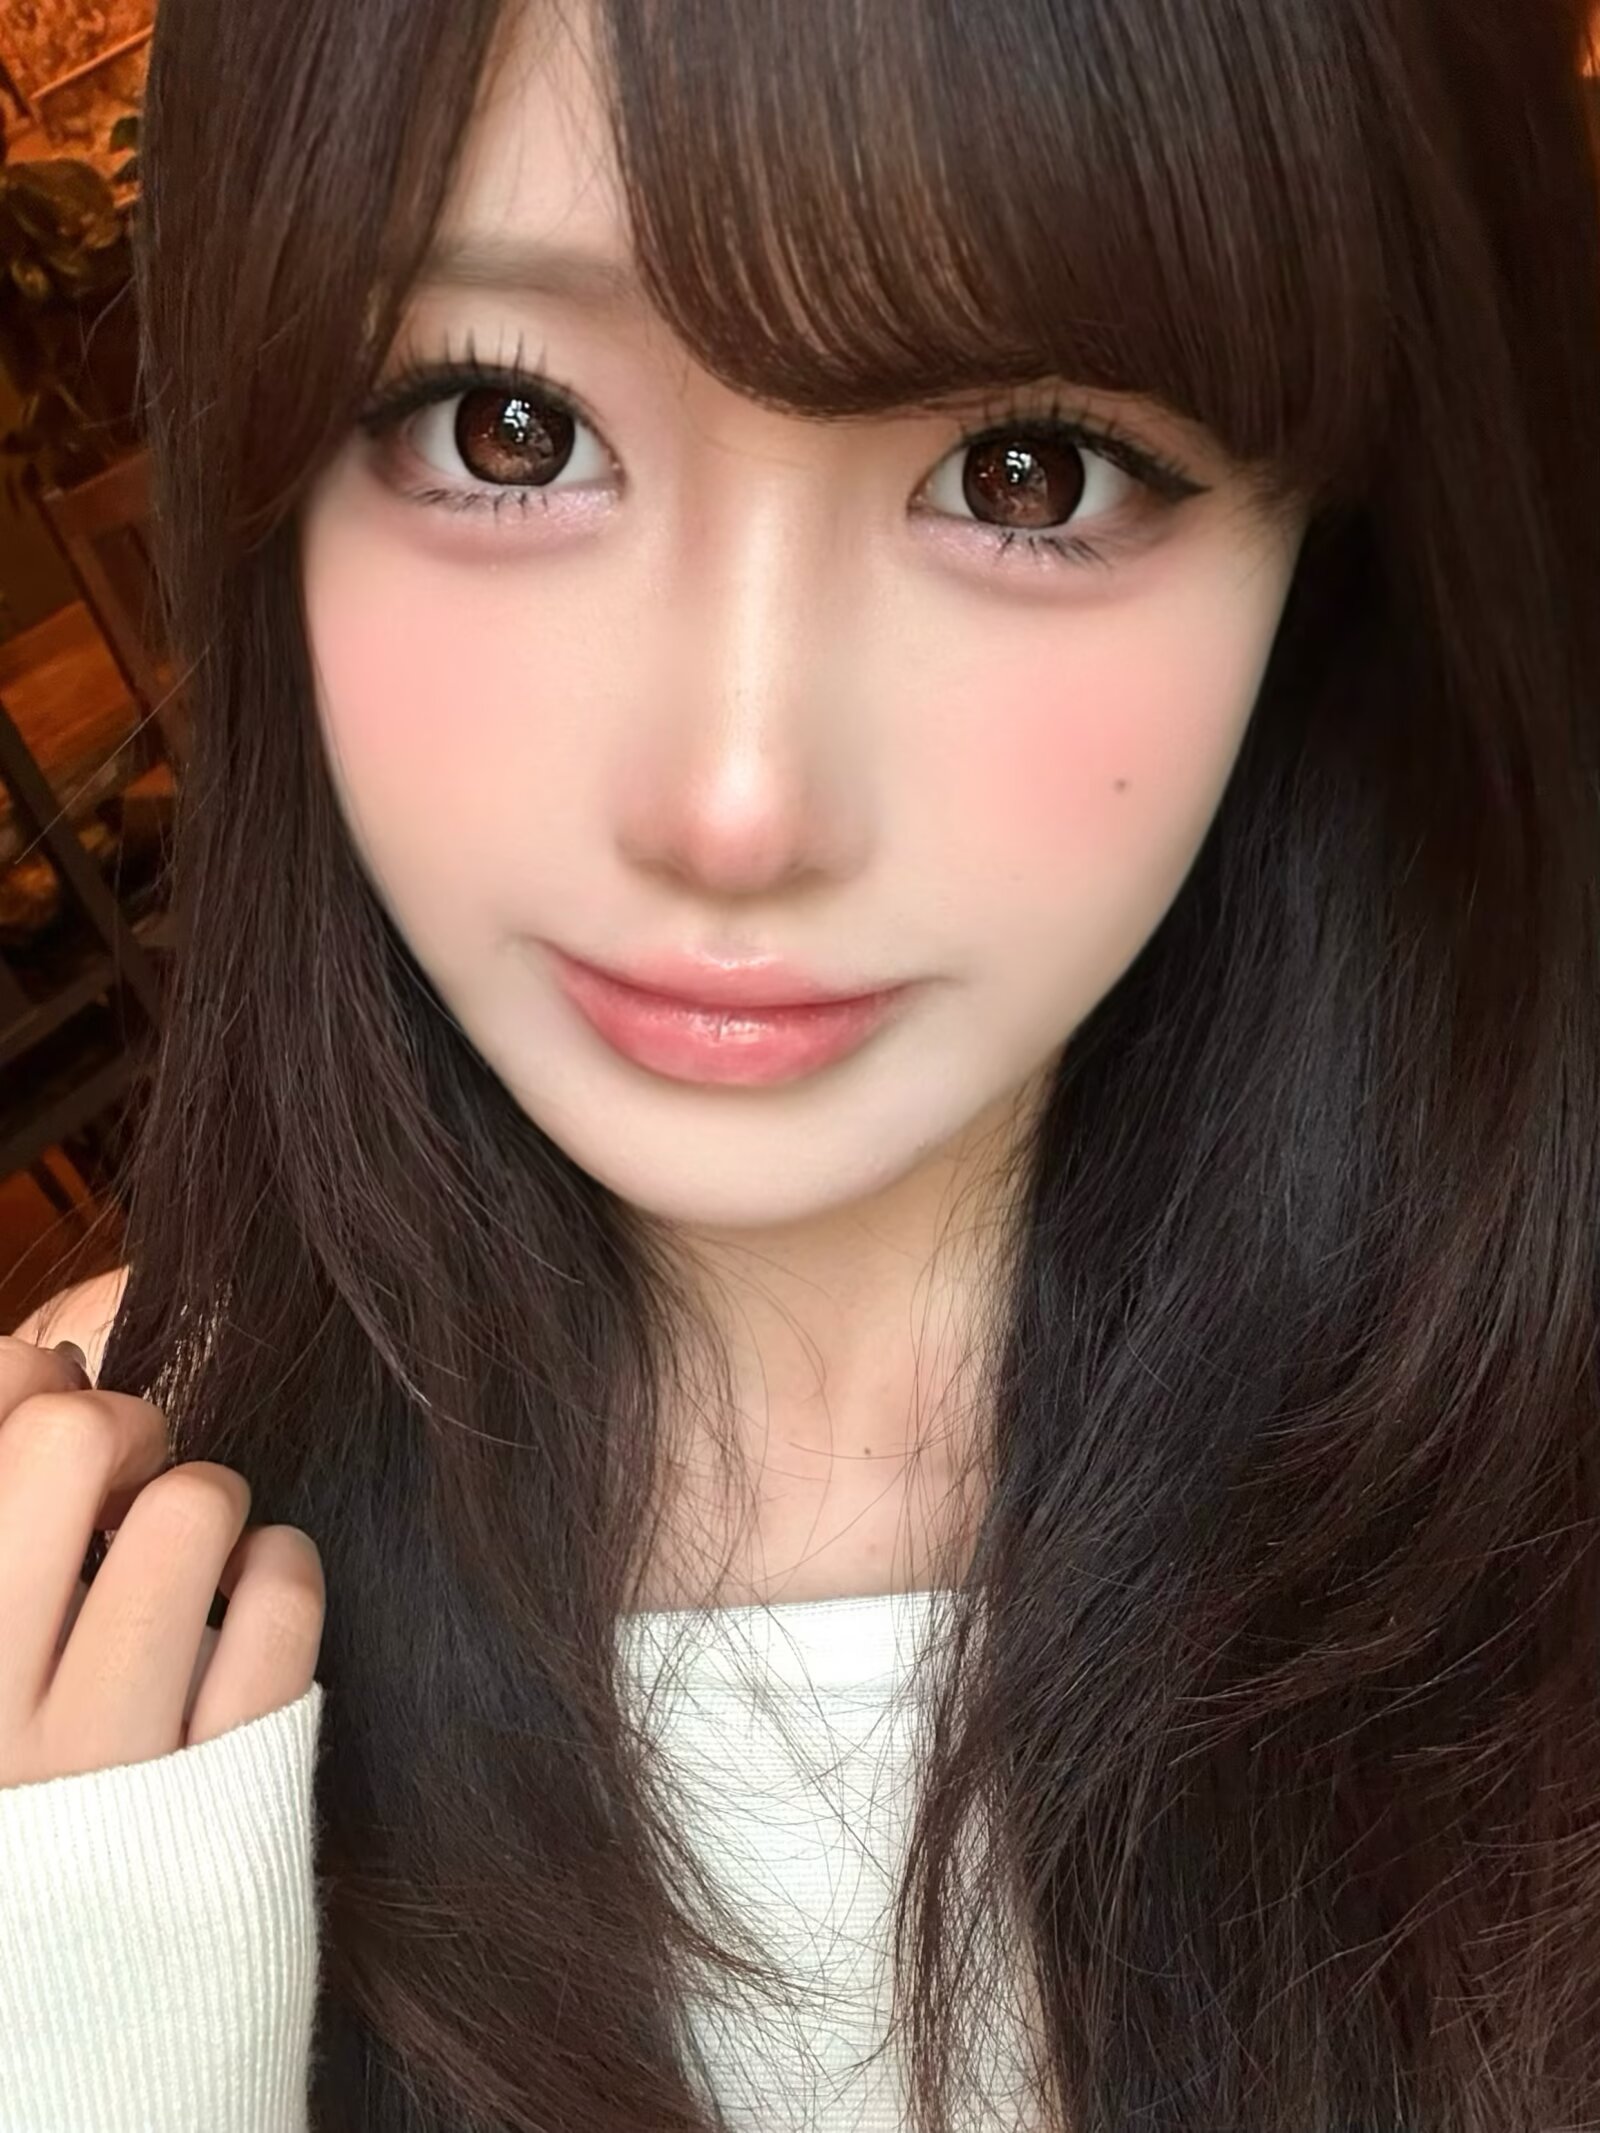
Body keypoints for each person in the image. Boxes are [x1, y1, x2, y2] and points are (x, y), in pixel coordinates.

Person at [3, 0, 1599, 2126]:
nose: (732, 803)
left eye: (1026, 472)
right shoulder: (84, 1559)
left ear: (1340, 550)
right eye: (504, 427)